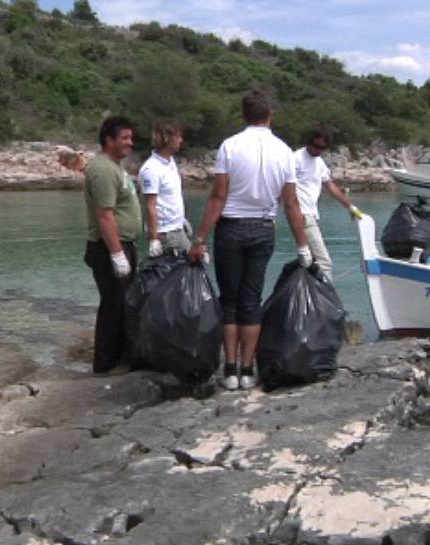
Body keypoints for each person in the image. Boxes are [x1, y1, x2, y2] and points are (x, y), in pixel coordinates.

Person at [188, 90, 311, 391]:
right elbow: (292, 203)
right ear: (270, 114)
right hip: (263, 228)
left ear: (244, 115)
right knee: (251, 300)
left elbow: (218, 196)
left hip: (230, 228)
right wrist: (303, 246)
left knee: (229, 300)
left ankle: (229, 369)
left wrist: (200, 238)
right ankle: (248, 368)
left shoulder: (229, 146)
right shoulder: (284, 151)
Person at [83, 116, 142, 374]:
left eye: (131, 137)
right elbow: (105, 215)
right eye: (125, 138)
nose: (131, 142)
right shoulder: (104, 170)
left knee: (123, 304)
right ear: (109, 140)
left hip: (123, 244)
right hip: (109, 247)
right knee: (113, 304)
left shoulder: (116, 167)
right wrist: (117, 254)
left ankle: (120, 357)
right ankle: (105, 364)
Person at [293, 129, 364, 281]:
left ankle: (312, 297)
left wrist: (351, 207)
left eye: (322, 148)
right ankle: (328, 297)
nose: (318, 150)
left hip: (310, 214)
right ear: (309, 142)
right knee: (324, 262)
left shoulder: (319, 162)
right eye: (316, 146)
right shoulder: (296, 158)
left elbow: (331, 187)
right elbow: (283, 187)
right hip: (302, 215)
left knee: (310, 262)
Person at [139, 119, 190, 257]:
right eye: (178, 136)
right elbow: (151, 205)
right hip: (166, 234)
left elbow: (171, 198)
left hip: (177, 229)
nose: (181, 140)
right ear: (168, 138)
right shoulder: (151, 169)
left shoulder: (170, 163)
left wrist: (181, 220)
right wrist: (154, 239)